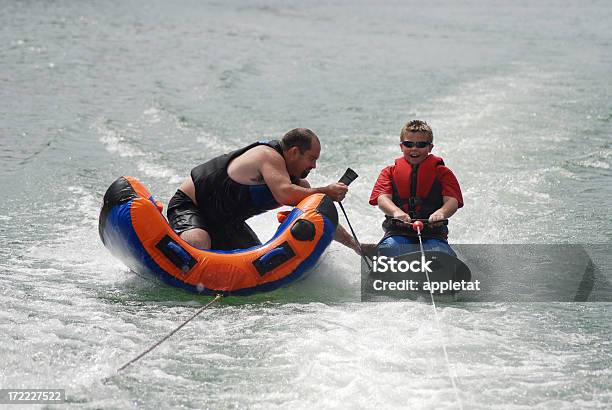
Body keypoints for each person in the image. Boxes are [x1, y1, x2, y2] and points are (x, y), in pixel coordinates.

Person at [168, 128, 362, 253]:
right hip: (190, 207)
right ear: (294, 152)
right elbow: (284, 194)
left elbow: (320, 216)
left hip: (226, 223)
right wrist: (327, 191)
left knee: (254, 258)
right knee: (199, 242)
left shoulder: (300, 187)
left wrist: (355, 246)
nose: (314, 166)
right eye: (312, 158)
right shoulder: (267, 156)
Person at [368, 120, 463, 257]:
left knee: (439, 254)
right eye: (408, 144)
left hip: (433, 233)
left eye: (421, 145)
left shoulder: (443, 173)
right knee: (389, 249)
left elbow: (452, 201)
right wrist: (396, 212)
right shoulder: (388, 172)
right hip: (398, 231)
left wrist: (441, 213)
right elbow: (382, 199)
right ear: (401, 146)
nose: (414, 149)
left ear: (430, 147)